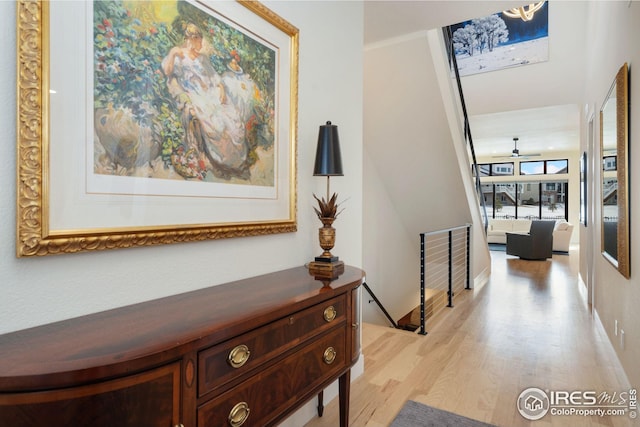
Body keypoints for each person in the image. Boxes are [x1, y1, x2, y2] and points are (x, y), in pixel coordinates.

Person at [162, 23, 248, 179]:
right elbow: (168, 73)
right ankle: (218, 161)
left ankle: (233, 163)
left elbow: (214, 77)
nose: (200, 44)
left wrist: (221, 89)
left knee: (232, 121)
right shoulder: (179, 54)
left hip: (210, 93)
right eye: (198, 40)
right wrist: (173, 54)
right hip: (195, 95)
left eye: (201, 40)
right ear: (191, 39)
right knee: (216, 125)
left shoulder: (203, 58)